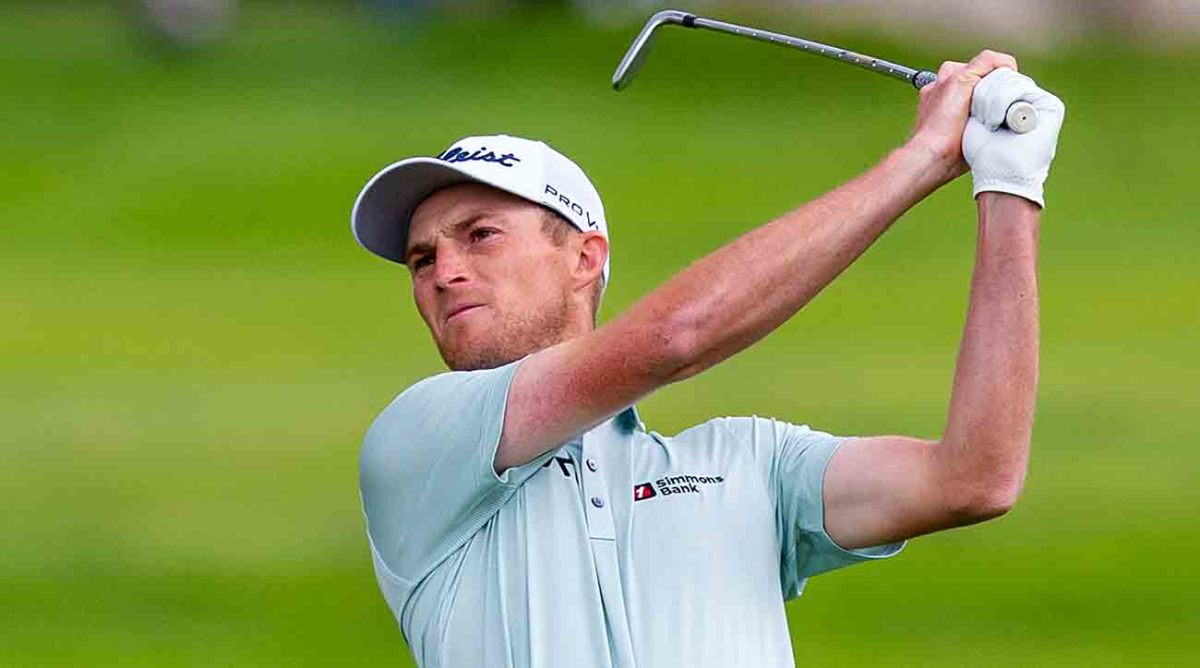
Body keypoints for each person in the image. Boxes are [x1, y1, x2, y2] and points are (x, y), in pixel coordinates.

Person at [350, 50, 1064, 667]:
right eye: (422, 258)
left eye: (479, 235)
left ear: (583, 258)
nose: (443, 272)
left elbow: (975, 477)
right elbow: (676, 339)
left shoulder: (747, 465)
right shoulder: (419, 441)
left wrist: (1008, 185)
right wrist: (922, 159)